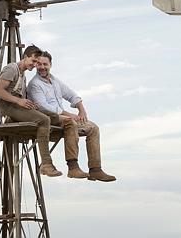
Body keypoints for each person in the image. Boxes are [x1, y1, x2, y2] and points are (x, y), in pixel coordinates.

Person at [27, 51, 116, 182]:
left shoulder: (54, 81)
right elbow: (43, 107)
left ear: (50, 65)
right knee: (70, 122)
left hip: (60, 116)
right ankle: (73, 167)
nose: (42, 67)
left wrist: (81, 110)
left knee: (93, 128)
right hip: (46, 118)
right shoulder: (35, 84)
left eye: (45, 64)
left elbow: (71, 94)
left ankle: (95, 169)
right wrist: (69, 114)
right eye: (39, 64)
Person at [0, 45, 62, 177]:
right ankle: (46, 164)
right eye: (33, 61)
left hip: (17, 106)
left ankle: (14, 119)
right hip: (8, 106)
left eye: (37, 62)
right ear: (25, 57)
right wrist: (19, 101)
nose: (35, 64)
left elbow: (20, 95)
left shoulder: (22, 74)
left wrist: (30, 104)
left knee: (53, 116)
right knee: (44, 120)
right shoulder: (11, 69)